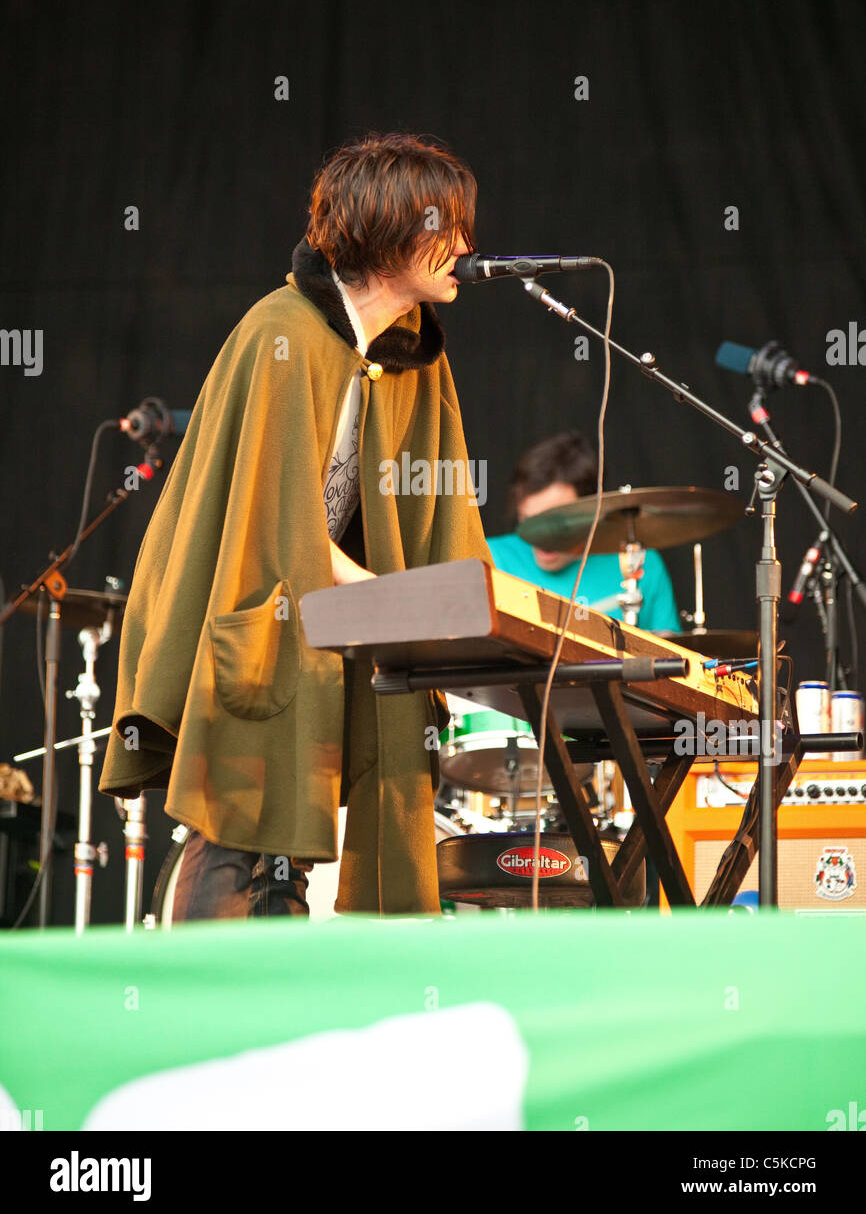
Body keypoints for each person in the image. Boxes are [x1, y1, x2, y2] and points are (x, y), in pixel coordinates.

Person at [99, 132, 491, 919]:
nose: (466, 247)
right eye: (445, 226)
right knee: (240, 831)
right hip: (247, 614)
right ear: (389, 232)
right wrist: (397, 600)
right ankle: (208, 1020)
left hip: (330, 622)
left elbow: (437, 518)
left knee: (290, 851)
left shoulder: (414, 356)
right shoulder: (282, 332)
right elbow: (271, 530)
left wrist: (462, 612)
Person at [487, 430, 680, 630]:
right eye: (529, 522)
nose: (541, 538)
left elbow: (671, 655)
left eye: (557, 524)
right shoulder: (489, 558)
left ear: (592, 512)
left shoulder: (638, 562)